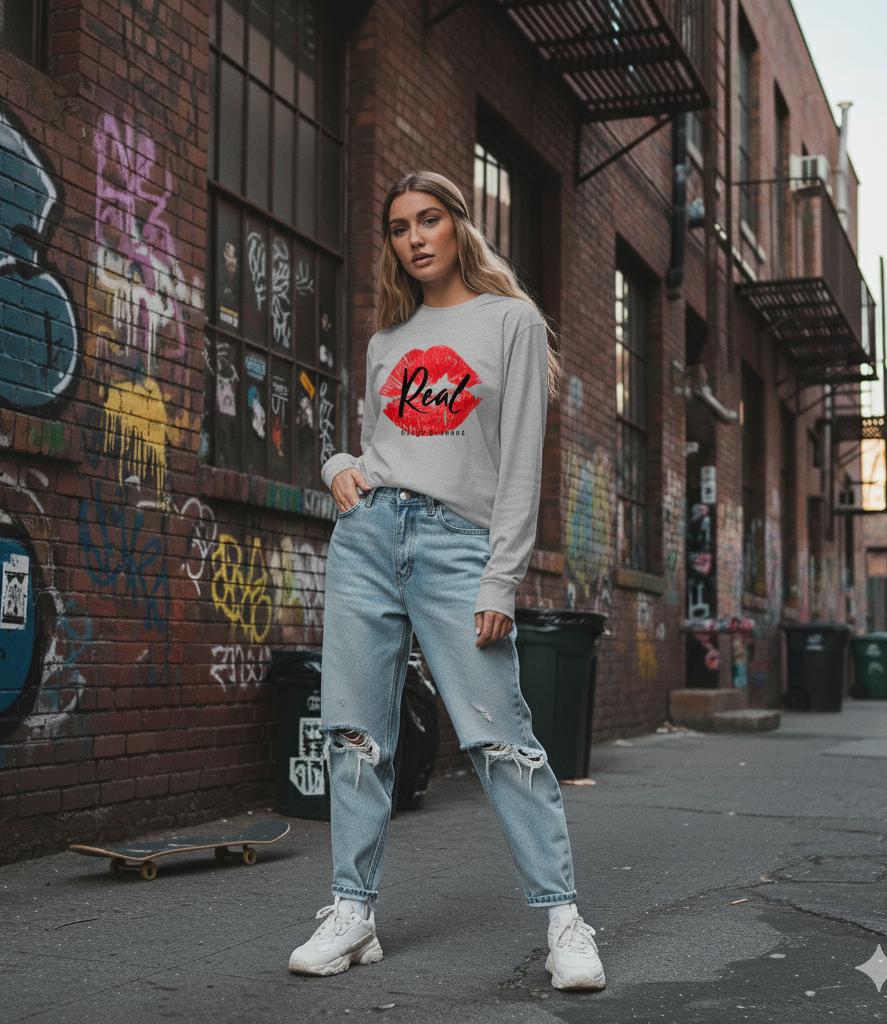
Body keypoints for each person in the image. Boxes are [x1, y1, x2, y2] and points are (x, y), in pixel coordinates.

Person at [287, 171, 605, 992]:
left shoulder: (513, 322)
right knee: (354, 731)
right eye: (399, 227)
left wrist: (501, 580)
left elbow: (519, 462)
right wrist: (336, 468)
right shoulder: (388, 338)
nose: (415, 238)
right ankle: (352, 914)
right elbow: (374, 447)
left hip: (456, 548)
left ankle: (564, 916)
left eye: (430, 220)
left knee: (501, 736)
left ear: (460, 226)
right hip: (366, 541)